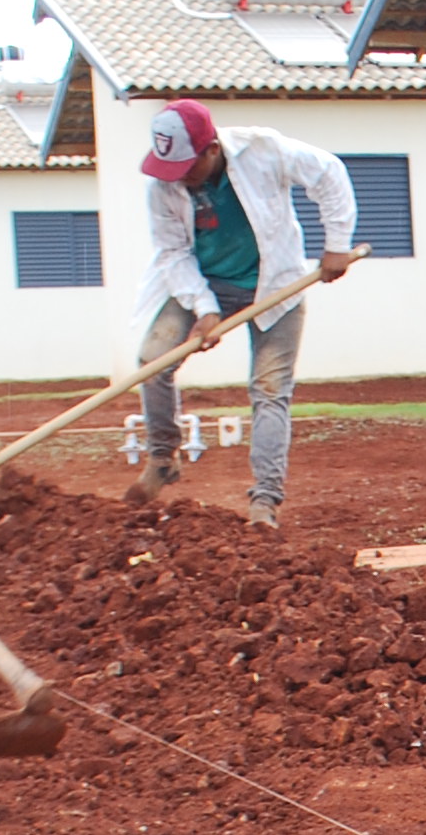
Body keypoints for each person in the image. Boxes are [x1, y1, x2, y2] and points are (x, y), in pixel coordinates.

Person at [129, 99, 354, 527]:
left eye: (187, 167)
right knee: (151, 360)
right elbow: (173, 252)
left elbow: (329, 173)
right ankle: (162, 457)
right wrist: (205, 308)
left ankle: (264, 501)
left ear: (211, 148)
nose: (179, 179)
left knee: (270, 390)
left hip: (277, 284)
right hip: (204, 281)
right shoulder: (162, 185)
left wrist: (337, 243)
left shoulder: (263, 151)